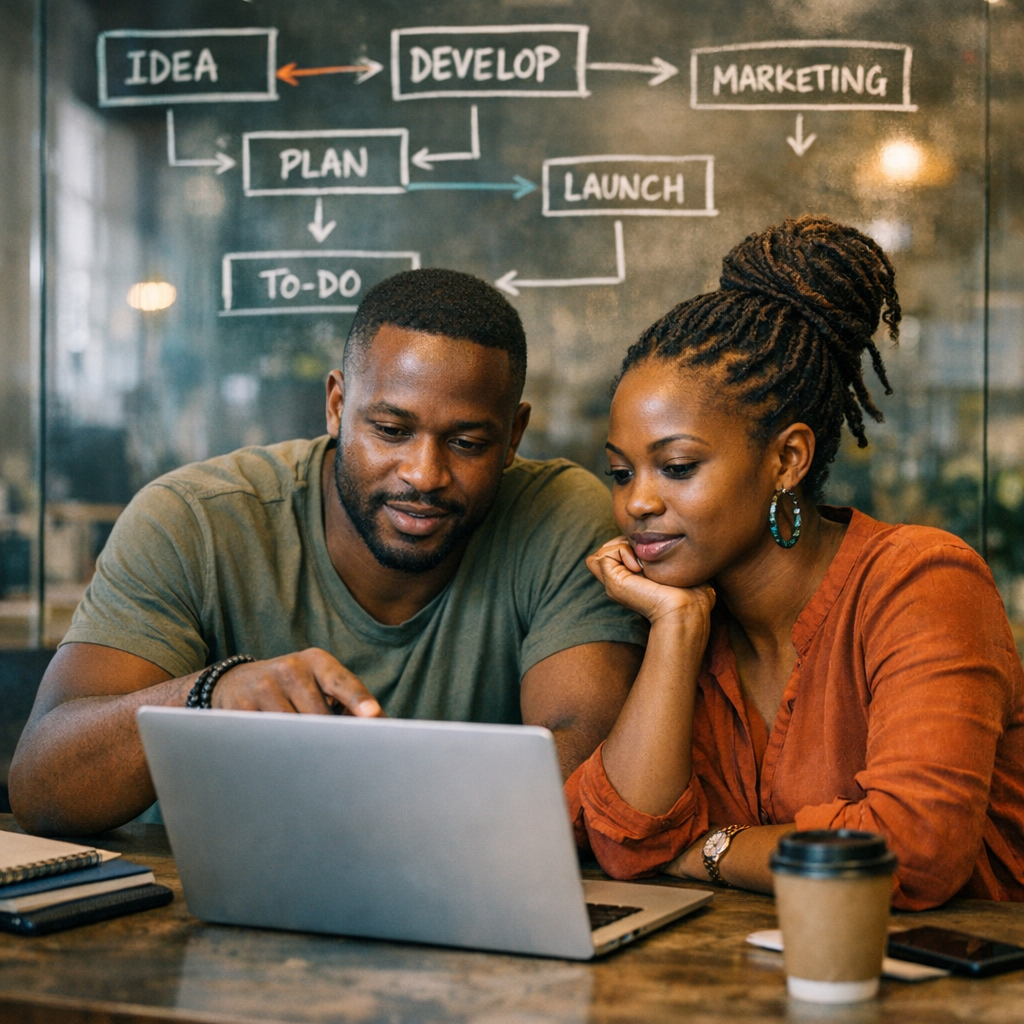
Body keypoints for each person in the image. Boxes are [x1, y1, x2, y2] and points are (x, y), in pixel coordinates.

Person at [11, 269, 646, 836]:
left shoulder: (560, 517)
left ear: (513, 436)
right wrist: (209, 696)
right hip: (193, 906)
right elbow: (41, 788)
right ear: (338, 406)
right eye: (390, 430)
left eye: (467, 443)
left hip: (463, 910)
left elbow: (592, 782)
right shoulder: (192, 520)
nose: (424, 474)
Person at [569, 215, 1024, 911]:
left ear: (787, 459)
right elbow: (623, 839)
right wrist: (676, 629)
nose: (638, 503)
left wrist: (707, 849)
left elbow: (912, 850)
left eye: (678, 466)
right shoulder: (686, 611)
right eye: (621, 473)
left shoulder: (923, 581)